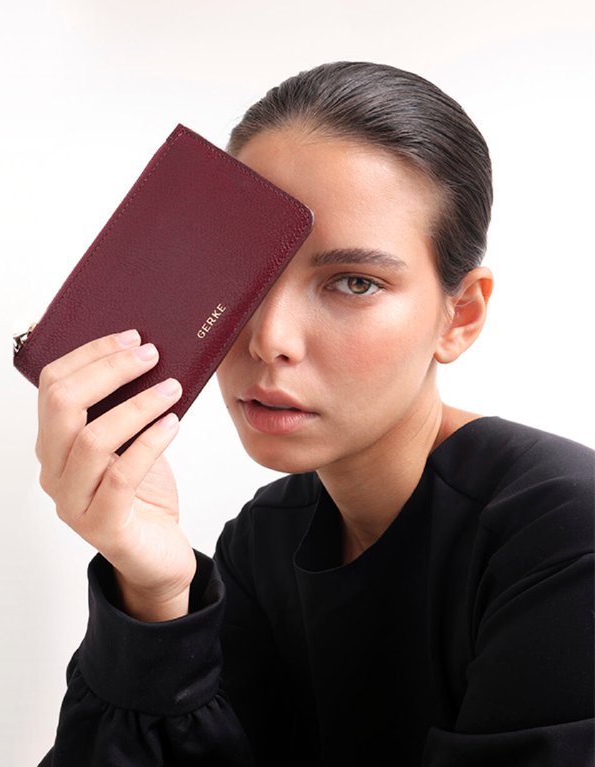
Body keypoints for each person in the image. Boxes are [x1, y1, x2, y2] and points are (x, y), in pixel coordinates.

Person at [32, 61, 594, 765]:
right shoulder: (265, 541)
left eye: (354, 282)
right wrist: (155, 594)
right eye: (247, 276)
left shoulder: (567, 539)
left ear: (460, 315)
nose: (270, 340)